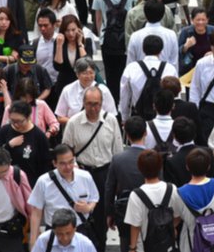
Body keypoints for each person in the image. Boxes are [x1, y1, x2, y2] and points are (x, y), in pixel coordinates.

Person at [62, 86, 123, 252]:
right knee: (80, 216)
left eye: (96, 104)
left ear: (102, 103)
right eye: (89, 104)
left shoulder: (111, 120)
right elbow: (66, 151)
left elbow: (117, 152)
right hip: (81, 173)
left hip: (105, 174)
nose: (93, 108)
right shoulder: (74, 122)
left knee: (102, 216)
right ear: (83, 103)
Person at [27, 144, 99, 249]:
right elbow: (36, 212)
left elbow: (94, 198)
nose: (68, 167)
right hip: (55, 232)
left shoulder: (85, 177)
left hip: (80, 229)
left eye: (71, 162)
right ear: (54, 163)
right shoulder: (43, 181)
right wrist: (33, 240)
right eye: (63, 163)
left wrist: (88, 207)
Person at [92, 0, 139, 104]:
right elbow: (138, 3)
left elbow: (98, 18)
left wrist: (100, 36)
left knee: (110, 74)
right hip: (126, 38)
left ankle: (113, 104)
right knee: (126, 73)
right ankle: (125, 104)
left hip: (107, 38)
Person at [123, 149, 184, 252]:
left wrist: (132, 248)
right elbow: (178, 216)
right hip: (168, 245)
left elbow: (135, 226)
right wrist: (167, 227)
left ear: (140, 168)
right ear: (160, 167)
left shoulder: (136, 195)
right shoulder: (172, 189)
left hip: (144, 247)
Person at [177, 147, 214, 252]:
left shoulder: (179, 193)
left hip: (191, 244)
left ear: (187, 167)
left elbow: (177, 218)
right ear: (208, 166)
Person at [104, 116, 146, 252]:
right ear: (145, 133)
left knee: (126, 244)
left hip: (125, 211)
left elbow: (109, 188)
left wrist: (110, 213)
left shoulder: (117, 159)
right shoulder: (153, 157)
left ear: (127, 135)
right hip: (149, 211)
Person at [0, 100, 52, 186]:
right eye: (12, 121)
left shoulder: (39, 136)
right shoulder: (5, 131)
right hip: (5, 182)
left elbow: (45, 164)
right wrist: (9, 145)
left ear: (28, 117)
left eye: (19, 121)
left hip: (29, 183)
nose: (16, 124)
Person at [122, 32, 175, 115]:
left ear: (143, 50)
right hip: (163, 115)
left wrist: (124, 116)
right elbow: (175, 96)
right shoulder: (170, 68)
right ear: (161, 50)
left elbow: (124, 95)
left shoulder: (131, 68)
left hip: (138, 116)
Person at [127, 0, 178, 68]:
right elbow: (174, 63)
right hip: (166, 73)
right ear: (162, 14)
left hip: (139, 73)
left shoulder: (135, 36)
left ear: (145, 14)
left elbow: (130, 64)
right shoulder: (171, 35)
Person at [31, 208, 97, 252]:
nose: (65, 238)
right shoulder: (43, 240)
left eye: (68, 233)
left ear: (75, 229)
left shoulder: (85, 244)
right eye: (60, 234)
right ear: (54, 230)